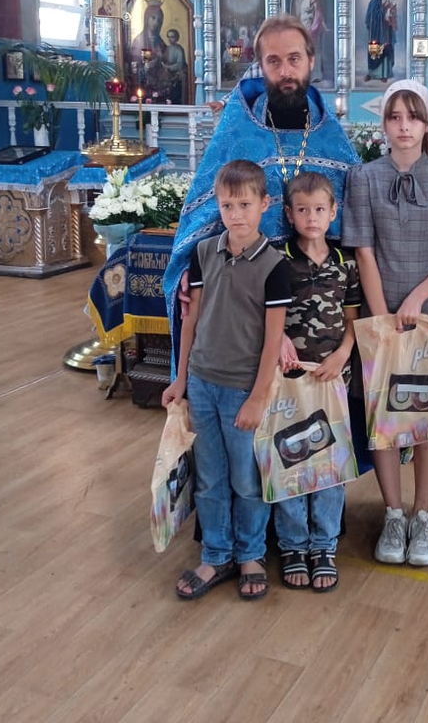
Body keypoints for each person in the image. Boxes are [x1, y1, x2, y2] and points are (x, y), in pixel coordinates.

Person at [163, 13, 358, 369]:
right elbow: (206, 213)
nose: (285, 71)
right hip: (247, 296)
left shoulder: (331, 138)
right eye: (274, 61)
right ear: (261, 66)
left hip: (319, 308)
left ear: (310, 60)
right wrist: (193, 269)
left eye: (294, 59)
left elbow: (354, 227)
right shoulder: (238, 131)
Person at [342, 80, 428, 567]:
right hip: (380, 312)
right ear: (383, 124)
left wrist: (418, 298)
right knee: (384, 413)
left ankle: (424, 515)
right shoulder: (363, 177)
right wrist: (380, 320)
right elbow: (363, 251)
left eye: (413, 117)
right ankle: (393, 513)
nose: (403, 126)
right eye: (394, 117)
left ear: (427, 123)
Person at [161, 160, 292, 601]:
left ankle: (251, 554)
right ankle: (216, 555)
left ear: (264, 204)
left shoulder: (274, 265)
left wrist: (257, 397)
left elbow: (273, 339)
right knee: (210, 479)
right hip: (201, 383)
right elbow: (192, 319)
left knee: (246, 479)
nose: (236, 214)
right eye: (227, 205)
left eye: (245, 204)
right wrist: (180, 378)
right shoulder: (204, 253)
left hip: (242, 390)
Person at [274, 171, 361, 592]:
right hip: (288, 380)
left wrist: (343, 354)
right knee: (290, 457)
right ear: (289, 214)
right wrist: (279, 339)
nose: (312, 217)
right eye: (303, 210)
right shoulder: (277, 258)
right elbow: (263, 311)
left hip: (333, 379)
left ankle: (324, 544)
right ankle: (293, 544)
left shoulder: (346, 261)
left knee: (329, 463)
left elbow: (352, 318)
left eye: (319, 209)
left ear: (333, 212)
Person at [363, 0, 395, 82]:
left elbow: (392, 15)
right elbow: (368, 17)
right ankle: (372, 73)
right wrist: (376, 16)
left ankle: (384, 74)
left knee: (384, 48)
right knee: (374, 50)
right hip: (375, 31)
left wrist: (388, 15)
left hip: (385, 31)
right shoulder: (373, 2)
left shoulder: (388, 0)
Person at [296, 0, 327, 82]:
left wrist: (325, 27)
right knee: (306, 52)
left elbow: (319, 16)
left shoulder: (316, 4)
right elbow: (312, 1)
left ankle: (316, 75)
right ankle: (306, 76)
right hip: (306, 29)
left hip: (313, 30)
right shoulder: (305, 2)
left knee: (316, 52)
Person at [165, 27, 188, 104]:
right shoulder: (167, 48)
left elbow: (180, 64)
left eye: (172, 37)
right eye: (168, 37)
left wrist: (169, 67)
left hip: (177, 73)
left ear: (176, 38)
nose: (170, 39)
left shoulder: (179, 49)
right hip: (167, 71)